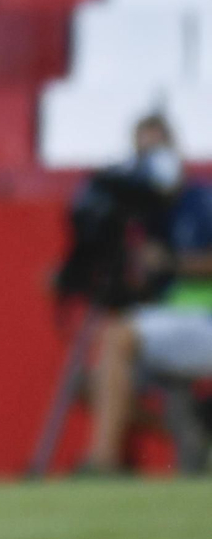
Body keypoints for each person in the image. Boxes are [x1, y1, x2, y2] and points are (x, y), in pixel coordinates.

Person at [85, 115, 212, 475]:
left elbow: (172, 264)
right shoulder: (145, 211)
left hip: (204, 318)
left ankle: (102, 464)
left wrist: (171, 262)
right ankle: (190, 432)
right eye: (143, 151)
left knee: (117, 337)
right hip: (168, 320)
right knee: (90, 381)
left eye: (157, 148)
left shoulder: (204, 200)